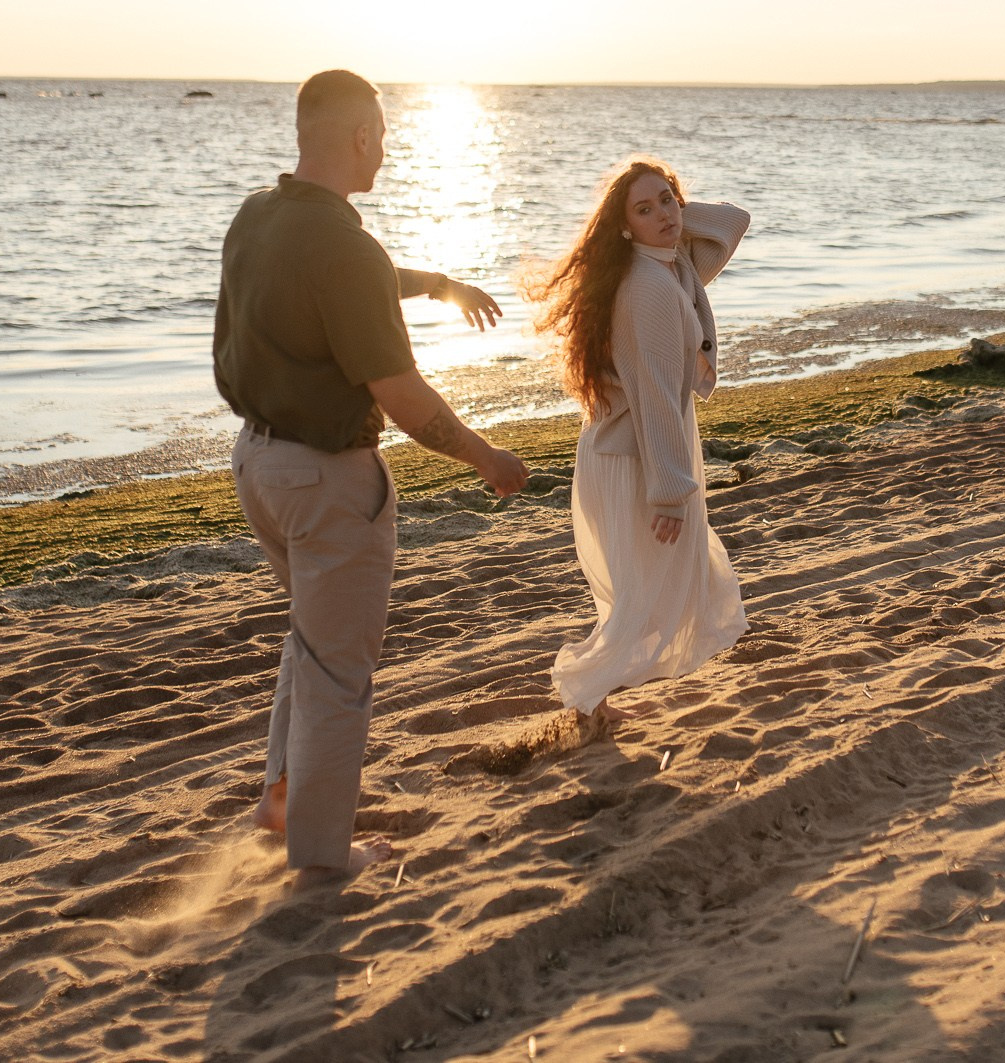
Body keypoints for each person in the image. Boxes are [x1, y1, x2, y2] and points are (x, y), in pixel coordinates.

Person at [213, 68, 527, 890]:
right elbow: (404, 397)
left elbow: (333, 288)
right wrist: (487, 458)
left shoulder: (259, 218)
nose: (386, 149)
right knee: (339, 670)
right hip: (326, 481)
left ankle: (281, 803)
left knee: (311, 645)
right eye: (381, 135)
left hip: (256, 464)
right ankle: (320, 853)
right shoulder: (345, 246)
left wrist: (434, 284)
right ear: (359, 136)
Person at [528, 157, 749, 728]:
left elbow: (733, 220)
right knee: (644, 593)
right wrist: (670, 491)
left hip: (634, 448)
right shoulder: (648, 285)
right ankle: (585, 694)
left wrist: (656, 213)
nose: (665, 216)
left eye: (668, 201)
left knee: (646, 589)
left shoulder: (674, 266)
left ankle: (592, 703)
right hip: (633, 458)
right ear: (623, 228)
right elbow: (651, 392)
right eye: (644, 210)